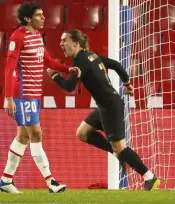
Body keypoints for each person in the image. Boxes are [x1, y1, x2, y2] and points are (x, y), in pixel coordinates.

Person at [47, 29, 160, 191]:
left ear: (76, 43)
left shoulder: (80, 61)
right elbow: (115, 65)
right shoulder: (91, 55)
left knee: (120, 147)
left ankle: (150, 177)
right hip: (105, 105)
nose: (61, 44)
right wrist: (127, 83)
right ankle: (116, 154)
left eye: (64, 40)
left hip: (110, 107)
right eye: (61, 40)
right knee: (82, 133)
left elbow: (70, 87)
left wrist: (54, 76)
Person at [0, 1, 80, 194]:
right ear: (27, 18)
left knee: (23, 136)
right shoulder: (18, 37)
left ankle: (5, 180)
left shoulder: (36, 36)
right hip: (23, 94)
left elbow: (47, 61)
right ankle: (50, 181)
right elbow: (9, 68)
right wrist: (8, 98)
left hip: (34, 94)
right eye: (39, 15)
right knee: (36, 133)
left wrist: (68, 69)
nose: (43, 18)